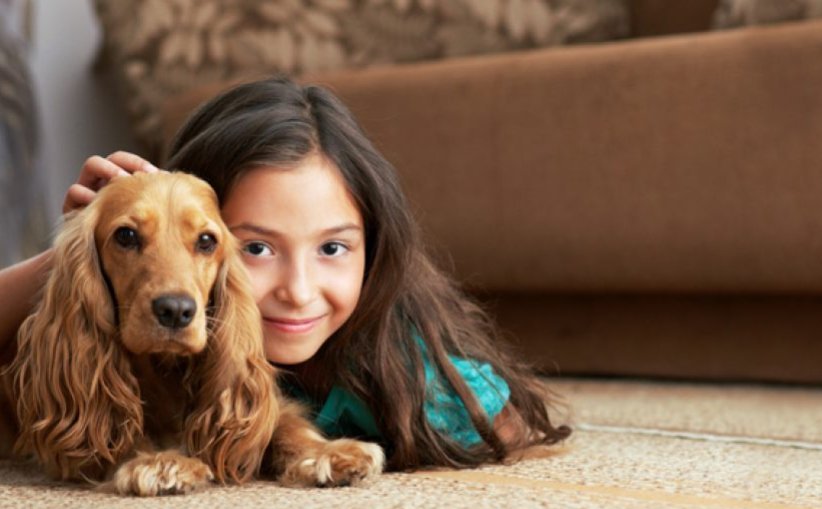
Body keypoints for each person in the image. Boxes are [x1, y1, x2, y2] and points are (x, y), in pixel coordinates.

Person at [0, 76, 570, 470]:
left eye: (333, 248)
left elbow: (503, 424)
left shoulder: (389, 362)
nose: (298, 293)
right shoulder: (146, 308)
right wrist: (80, 246)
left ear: (373, 248)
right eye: (256, 249)